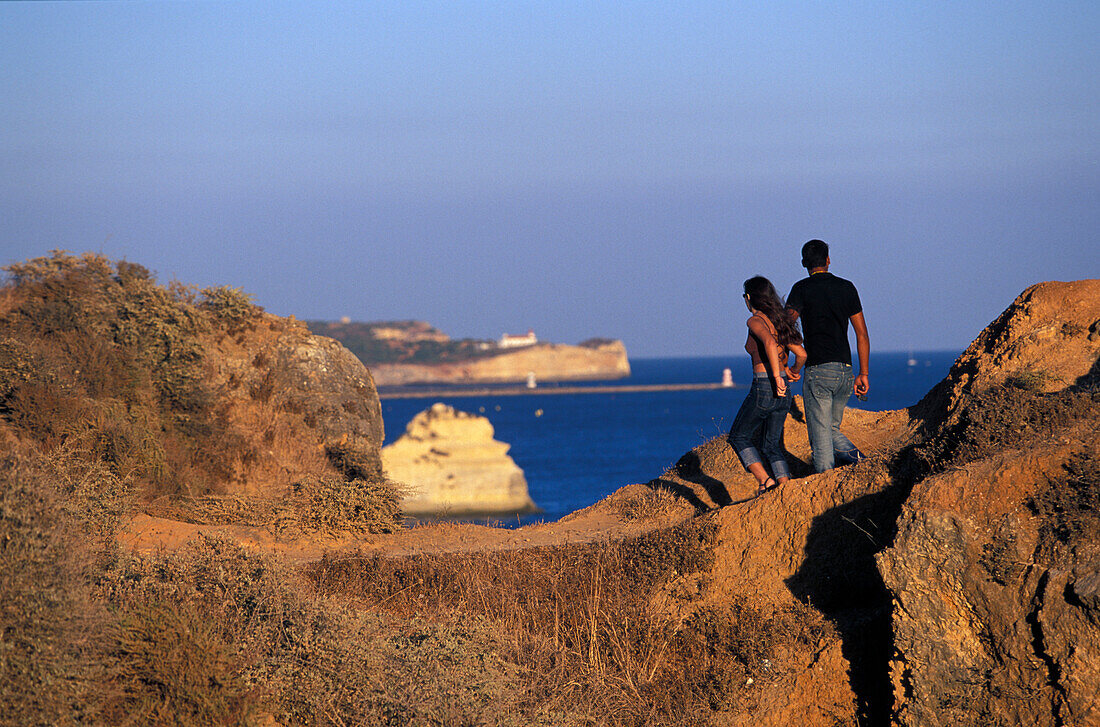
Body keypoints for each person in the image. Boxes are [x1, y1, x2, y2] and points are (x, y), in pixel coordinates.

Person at [785, 239, 869, 473]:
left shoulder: (801, 289)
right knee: (830, 430)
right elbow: (861, 334)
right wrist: (863, 373)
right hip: (845, 370)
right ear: (828, 260)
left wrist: (791, 362)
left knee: (821, 447)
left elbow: (785, 327)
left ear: (804, 263)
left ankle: (849, 473)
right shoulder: (847, 287)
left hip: (818, 371)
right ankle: (865, 465)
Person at [727, 276, 807, 496]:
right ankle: (785, 487)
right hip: (784, 392)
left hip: (765, 385)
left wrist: (777, 377)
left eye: (745, 296)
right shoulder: (779, 323)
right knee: (771, 445)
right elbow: (801, 353)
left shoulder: (755, 321)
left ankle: (765, 481)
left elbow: (770, 343)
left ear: (750, 298)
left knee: (738, 436)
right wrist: (791, 371)